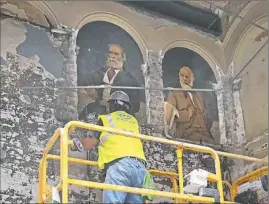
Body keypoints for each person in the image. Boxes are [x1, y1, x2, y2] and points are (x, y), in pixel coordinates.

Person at [72, 91, 147, 203]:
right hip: (140, 169)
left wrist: (76, 142)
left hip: (120, 167)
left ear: (111, 105)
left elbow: (90, 143)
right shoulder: (134, 122)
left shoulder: (106, 119)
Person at [79, 44, 141, 119]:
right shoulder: (101, 73)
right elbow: (86, 79)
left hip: (119, 116)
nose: (112, 56)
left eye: (116, 54)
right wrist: (90, 90)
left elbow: (136, 107)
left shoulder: (130, 80)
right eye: (110, 53)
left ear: (123, 57)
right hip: (99, 111)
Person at [165, 66, 216, 144]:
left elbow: (207, 117)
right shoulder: (174, 94)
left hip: (205, 133)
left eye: (187, 77)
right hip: (186, 134)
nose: (184, 79)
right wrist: (188, 113)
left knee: (214, 145)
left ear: (192, 79)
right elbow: (170, 115)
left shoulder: (199, 96)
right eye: (182, 76)